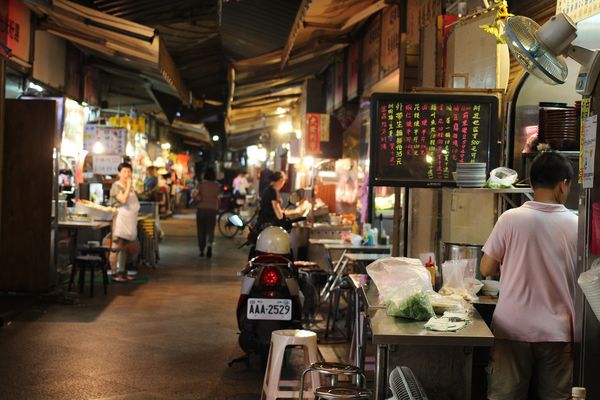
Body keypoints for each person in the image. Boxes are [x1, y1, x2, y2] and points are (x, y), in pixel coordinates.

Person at [480, 151, 577, 400]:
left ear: (531, 184)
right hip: (558, 333)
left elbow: (486, 269)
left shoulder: (510, 219)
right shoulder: (578, 224)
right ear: (563, 185)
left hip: (512, 329)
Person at [109, 162, 140, 282]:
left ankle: (122, 272)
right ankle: (114, 273)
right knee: (116, 247)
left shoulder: (130, 186)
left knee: (124, 248)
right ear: (119, 173)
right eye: (124, 172)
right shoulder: (116, 186)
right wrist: (128, 186)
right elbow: (123, 199)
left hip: (129, 221)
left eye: (129, 171)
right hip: (120, 220)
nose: (127, 174)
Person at [192, 168, 220, 258]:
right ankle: (209, 245)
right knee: (210, 229)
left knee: (201, 230)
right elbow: (218, 198)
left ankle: (201, 249)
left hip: (201, 209)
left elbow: (195, 195)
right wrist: (217, 208)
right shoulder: (217, 186)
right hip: (212, 209)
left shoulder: (200, 185)